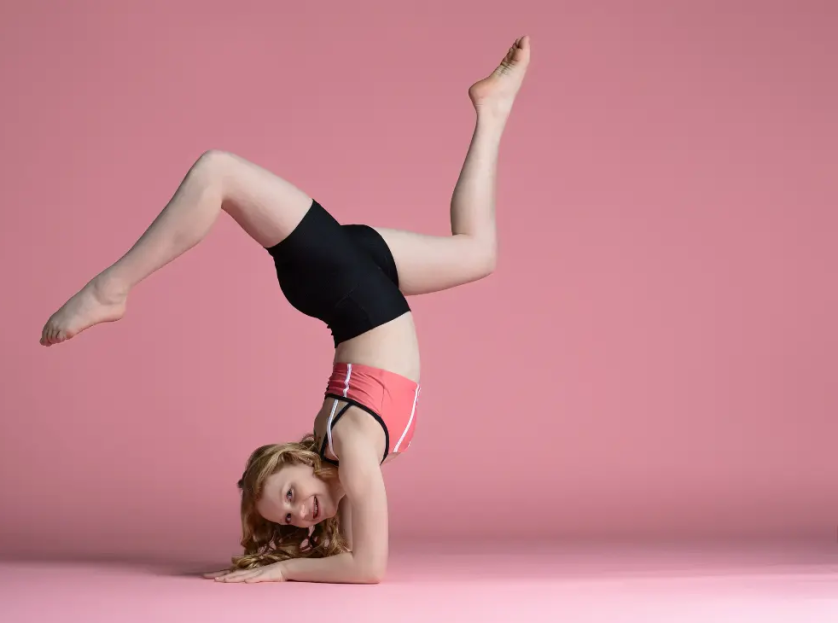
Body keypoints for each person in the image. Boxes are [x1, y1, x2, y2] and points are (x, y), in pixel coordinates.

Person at [40, 36, 531, 584]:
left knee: (218, 170)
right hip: (361, 285)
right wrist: (301, 553)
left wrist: (282, 573)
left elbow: (369, 568)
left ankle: (112, 287)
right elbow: (355, 556)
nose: (300, 512)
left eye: (290, 494)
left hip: (350, 291)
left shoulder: (349, 447)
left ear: (294, 458)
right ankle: (493, 109)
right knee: (477, 251)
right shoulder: (346, 466)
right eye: (291, 516)